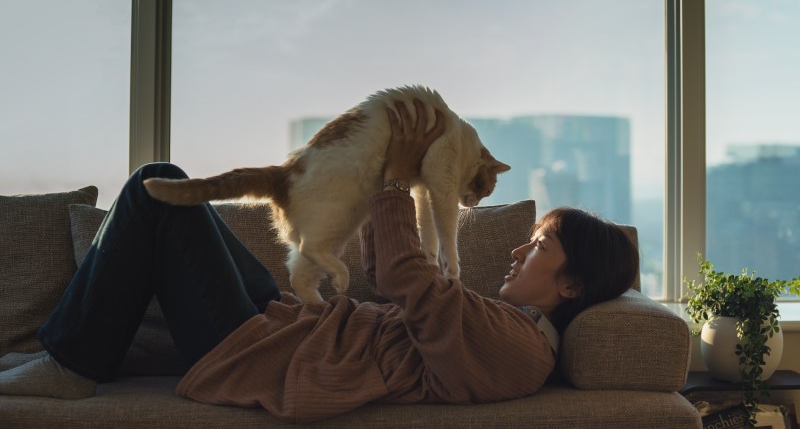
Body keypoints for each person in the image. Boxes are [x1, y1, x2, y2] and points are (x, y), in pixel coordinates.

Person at [0, 100, 639, 423]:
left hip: (255, 351)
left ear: (571, 284)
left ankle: (71, 363)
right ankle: (74, 348)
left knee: (154, 186)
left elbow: (405, 279)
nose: (520, 246)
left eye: (540, 245)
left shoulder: (520, 348)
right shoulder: (506, 328)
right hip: (281, 325)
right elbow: (400, 278)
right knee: (177, 198)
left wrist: (395, 174)